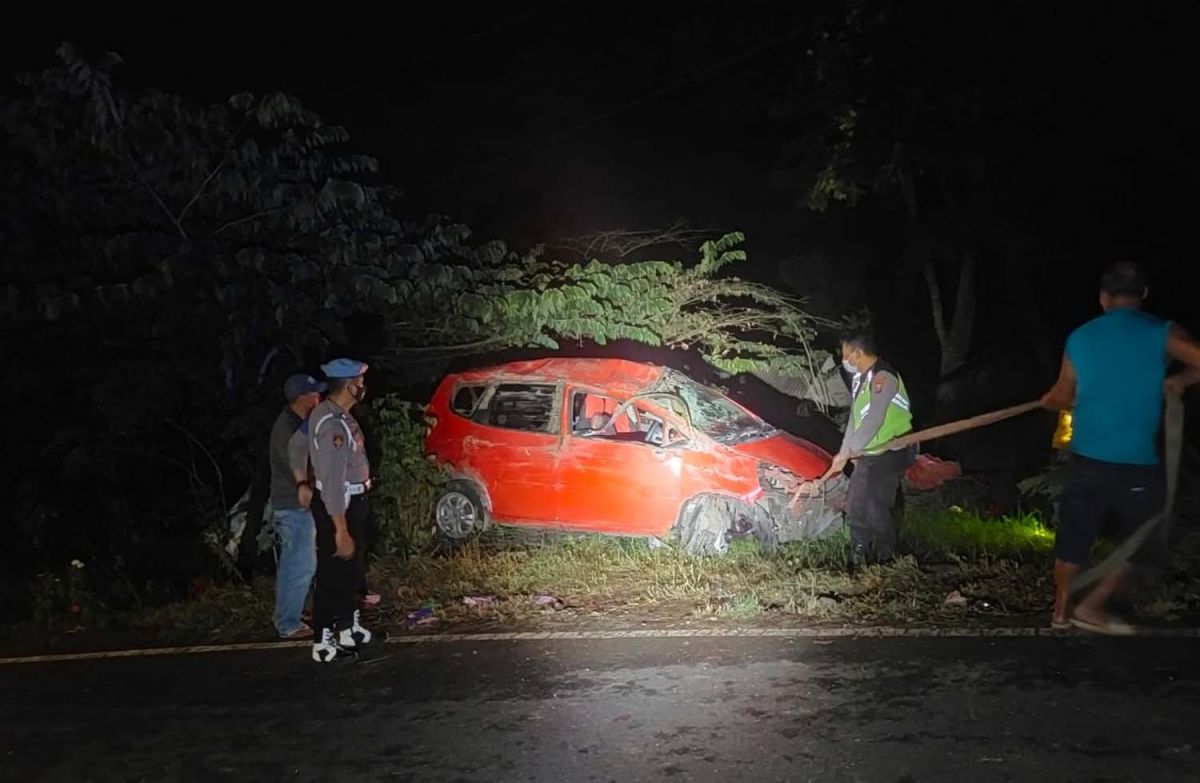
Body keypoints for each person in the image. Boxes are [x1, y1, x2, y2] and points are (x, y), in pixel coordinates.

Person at [1040, 260, 1200, 634]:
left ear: (1103, 298)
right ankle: (1091, 606)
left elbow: (1061, 396)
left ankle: (1061, 612)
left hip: (1085, 460)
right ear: (1142, 294)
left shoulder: (1080, 338)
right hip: (1135, 463)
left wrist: (1050, 400)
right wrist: (1180, 381)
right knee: (1148, 538)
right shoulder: (1161, 331)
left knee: (1073, 536)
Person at [308, 357, 375, 662]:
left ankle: (348, 629)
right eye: (360, 382)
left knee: (350, 571)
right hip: (340, 505)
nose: (363, 387)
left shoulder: (339, 415)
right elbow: (333, 481)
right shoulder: (332, 425)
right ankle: (323, 641)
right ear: (348, 386)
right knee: (333, 572)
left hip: (352, 501)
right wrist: (340, 529)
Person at [829, 330, 916, 563]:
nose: (843, 360)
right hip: (871, 451)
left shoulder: (883, 377)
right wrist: (843, 452)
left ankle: (886, 556)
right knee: (856, 501)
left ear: (858, 352)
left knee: (876, 502)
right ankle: (858, 551)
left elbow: (875, 418)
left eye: (846, 355)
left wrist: (854, 448)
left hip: (894, 449)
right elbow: (855, 420)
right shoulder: (860, 380)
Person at [268, 373, 326, 640]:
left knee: (296, 563)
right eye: (314, 394)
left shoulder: (296, 423)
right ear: (302, 398)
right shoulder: (287, 429)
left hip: (296, 503)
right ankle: (288, 623)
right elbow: (298, 465)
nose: (319, 398)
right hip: (293, 505)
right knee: (300, 564)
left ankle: (290, 615)